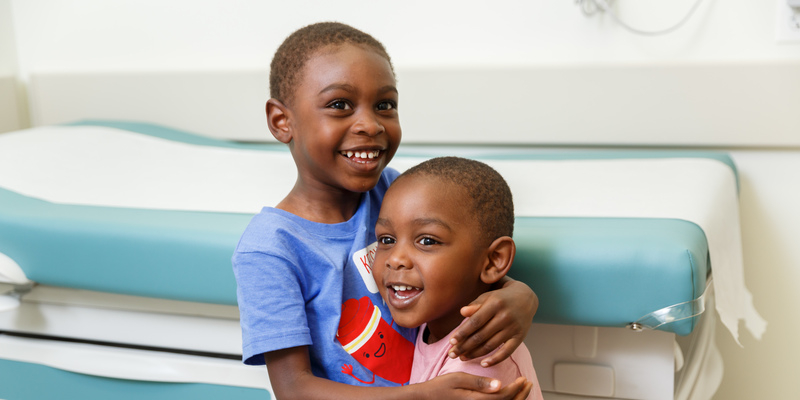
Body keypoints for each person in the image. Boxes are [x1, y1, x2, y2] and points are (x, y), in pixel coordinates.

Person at [232, 22, 537, 400]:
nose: (370, 124)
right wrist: (422, 396)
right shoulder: (270, 248)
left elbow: (471, 256)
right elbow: (294, 389)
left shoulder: (396, 192)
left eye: (385, 105)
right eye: (340, 105)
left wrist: (521, 294)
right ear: (282, 121)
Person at [372, 157, 544, 400]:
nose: (395, 259)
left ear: (494, 259)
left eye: (428, 241)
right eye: (386, 240)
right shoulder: (432, 317)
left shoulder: (481, 362)